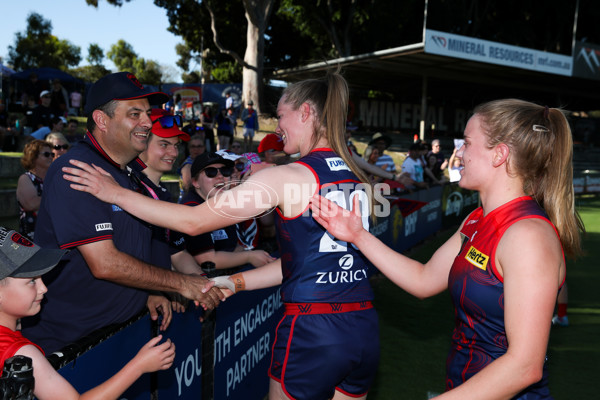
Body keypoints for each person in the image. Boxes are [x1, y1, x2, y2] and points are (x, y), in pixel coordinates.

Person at [63, 71, 380, 400]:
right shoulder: (355, 175)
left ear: (305, 113)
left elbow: (193, 222)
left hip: (314, 329)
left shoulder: (289, 175)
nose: (276, 125)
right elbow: (305, 262)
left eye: (280, 115)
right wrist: (235, 283)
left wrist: (116, 194)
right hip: (363, 327)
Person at [310, 99, 584, 399]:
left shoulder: (527, 235)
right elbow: (424, 279)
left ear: (500, 154)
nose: (459, 154)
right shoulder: (476, 219)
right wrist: (357, 235)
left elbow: (525, 366)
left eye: (466, 143)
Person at [21, 71, 223, 354]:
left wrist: (148, 292)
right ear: (102, 120)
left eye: (148, 113)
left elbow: (134, 247)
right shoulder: (77, 169)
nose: (147, 122)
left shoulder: (127, 174)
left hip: (116, 336)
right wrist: (179, 283)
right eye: (135, 113)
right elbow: (105, 263)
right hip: (70, 346)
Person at [0, 226, 176, 400]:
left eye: (41, 278)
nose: (43, 288)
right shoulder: (21, 355)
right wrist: (139, 366)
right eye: (31, 281)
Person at [180, 152, 275, 271]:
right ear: (195, 182)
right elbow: (207, 260)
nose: (220, 176)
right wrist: (249, 257)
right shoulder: (192, 207)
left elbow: (234, 246)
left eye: (225, 171)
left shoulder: (222, 201)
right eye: (211, 172)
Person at [16, 140, 53, 240]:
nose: (51, 157)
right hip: (33, 237)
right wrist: (57, 197)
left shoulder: (52, 178)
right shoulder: (26, 178)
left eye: (52, 154)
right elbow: (31, 204)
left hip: (53, 235)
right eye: (46, 154)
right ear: (33, 156)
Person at [178, 133, 206, 200]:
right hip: (190, 203)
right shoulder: (188, 166)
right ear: (189, 148)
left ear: (204, 147)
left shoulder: (203, 162)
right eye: (193, 146)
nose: (196, 149)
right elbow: (188, 189)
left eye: (199, 146)